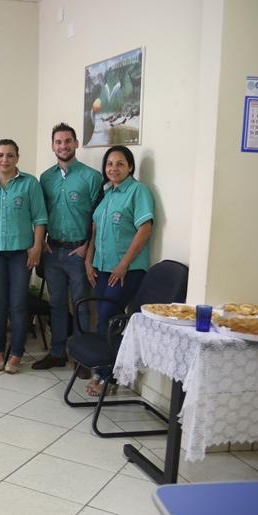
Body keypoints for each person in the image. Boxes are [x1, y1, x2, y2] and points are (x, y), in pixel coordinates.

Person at [0, 139, 47, 374]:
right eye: (1, 155)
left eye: (10, 155)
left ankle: (16, 353)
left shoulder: (29, 184)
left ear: (17, 158)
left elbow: (40, 218)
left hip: (20, 254)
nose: (5, 160)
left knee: (18, 304)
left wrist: (36, 248)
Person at [33, 123, 102, 374]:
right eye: (58, 142)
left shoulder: (92, 177)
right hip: (53, 252)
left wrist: (87, 248)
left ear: (76, 144)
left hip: (78, 253)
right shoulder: (46, 178)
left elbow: (98, 217)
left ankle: (82, 358)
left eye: (67, 141)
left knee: (82, 305)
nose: (63, 146)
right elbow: (39, 214)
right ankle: (57, 352)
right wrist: (41, 243)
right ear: (53, 146)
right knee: (57, 305)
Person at [84, 145, 154, 395]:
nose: (113, 168)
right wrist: (88, 260)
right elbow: (94, 231)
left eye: (120, 163)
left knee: (109, 319)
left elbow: (144, 229)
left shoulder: (138, 191)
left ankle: (108, 378)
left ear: (130, 167)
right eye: (110, 164)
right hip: (103, 268)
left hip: (128, 270)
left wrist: (123, 264)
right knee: (103, 317)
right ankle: (105, 372)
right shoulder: (107, 193)